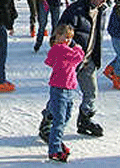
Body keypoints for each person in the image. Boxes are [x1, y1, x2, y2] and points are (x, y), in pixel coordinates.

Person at [39, 0, 110, 140]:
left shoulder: (101, 11)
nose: (104, 1)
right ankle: (47, 122)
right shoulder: (75, 10)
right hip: (71, 61)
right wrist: (71, 49)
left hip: (89, 58)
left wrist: (95, 55)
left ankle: (85, 120)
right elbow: (62, 31)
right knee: (61, 94)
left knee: (91, 92)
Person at [42, 24, 84, 163]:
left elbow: (50, 61)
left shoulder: (60, 49)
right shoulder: (60, 48)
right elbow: (77, 58)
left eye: (69, 38)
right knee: (59, 120)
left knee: (65, 117)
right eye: (65, 37)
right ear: (57, 36)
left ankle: (57, 141)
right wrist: (78, 47)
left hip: (69, 88)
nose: (67, 40)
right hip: (60, 89)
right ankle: (54, 149)